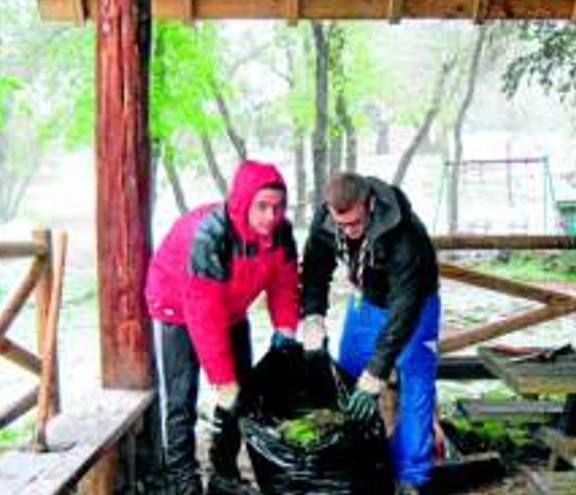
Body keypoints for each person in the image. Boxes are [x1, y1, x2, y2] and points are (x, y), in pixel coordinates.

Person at [144, 160, 301, 495]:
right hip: (177, 308)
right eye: (262, 207)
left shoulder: (281, 232)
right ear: (244, 202)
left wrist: (286, 327)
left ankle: (224, 473)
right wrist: (220, 378)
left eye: (278, 207)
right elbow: (202, 313)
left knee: (241, 394)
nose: (271, 216)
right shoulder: (211, 236)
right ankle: (182, 480)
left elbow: (284, 283)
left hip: (231, 309)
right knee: (181, 398)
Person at [300, 172, 441, 495]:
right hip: (366, 298)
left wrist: (377, 373)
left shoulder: (406, 234)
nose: (348, 232)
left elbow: (404, 311)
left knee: (415, 382)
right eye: (342, 225)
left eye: (356, 223)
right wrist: (313, 315)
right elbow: (315, 267)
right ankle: (357, 465)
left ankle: (412, 478)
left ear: (370, 205)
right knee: (348, 374)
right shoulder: (326, 220)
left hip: (415, 303)